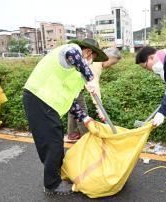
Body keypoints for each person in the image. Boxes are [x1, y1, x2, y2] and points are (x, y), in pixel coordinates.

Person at [23, 38, 108, 195]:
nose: (91, 62)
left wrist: (84, 118)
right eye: (93, 58)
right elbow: (72, 53)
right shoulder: (71, 50)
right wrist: (90, 78)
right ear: (88, 52)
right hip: (39, 99)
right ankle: (52, 185)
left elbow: (70, 101)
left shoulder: (75, 73)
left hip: (47, 105)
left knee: (52, 143)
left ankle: (56, 176)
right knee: (53, 144)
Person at [66, 48, 121, 142]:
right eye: (111, 63)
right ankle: (86, 138)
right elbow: (94, 87)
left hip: (72, 85)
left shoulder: (96, 63)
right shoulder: (96, 65)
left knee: (74, 109)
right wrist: (99, 106)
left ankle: (72, 134)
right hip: (74, 86)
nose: (110, 66)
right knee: (82, 110)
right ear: (107, 58)